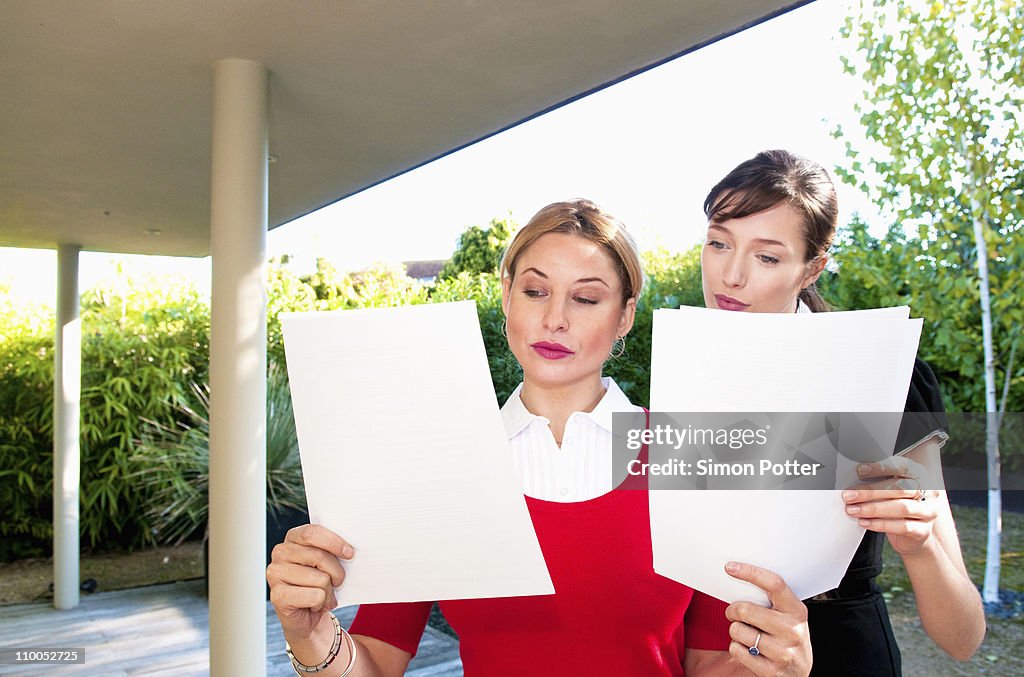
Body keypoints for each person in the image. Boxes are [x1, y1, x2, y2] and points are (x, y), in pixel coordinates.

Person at [268, 199, 813, 676]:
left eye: (585, 298)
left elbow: (707, 664)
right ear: (507, 298)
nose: (554, 319)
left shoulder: (692, 455)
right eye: (535, 291)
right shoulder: (441, 463)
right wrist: (310, 635)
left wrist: (773, 671)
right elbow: (376, 663)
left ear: (624, 316)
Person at [698, 149, 986, 675]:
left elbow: (964, 637)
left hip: (843, 654)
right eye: (718, 243)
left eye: (766, 256)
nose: (730, 275)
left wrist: (919, 545)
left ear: (813, 267)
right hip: (719, 655)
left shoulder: (881, 375)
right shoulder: (686, 376)